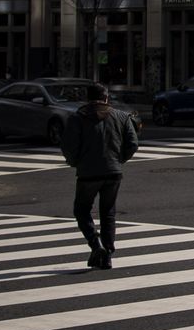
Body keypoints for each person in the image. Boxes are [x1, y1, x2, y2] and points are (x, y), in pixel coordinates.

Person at [59, 84, 139, 270]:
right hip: (113, 172)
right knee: (108, 212)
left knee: (82, 210)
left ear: (88, 98)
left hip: (88, 173)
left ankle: (96, 245)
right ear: (106, 97)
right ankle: (107, 254)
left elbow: (68, 146)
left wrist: (75, 162)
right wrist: (119, 159)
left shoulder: (78, 117)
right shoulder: (120, 116)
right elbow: (133, 143)